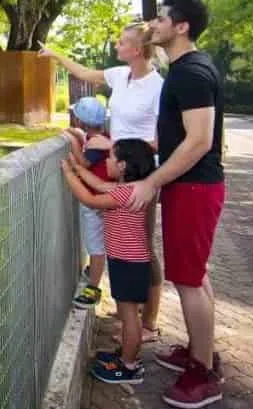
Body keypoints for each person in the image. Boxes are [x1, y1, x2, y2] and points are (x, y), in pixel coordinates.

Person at [127, 0, 225, 408]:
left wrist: (153, 180)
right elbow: (182, 133)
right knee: (195, 275)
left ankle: (202, 374)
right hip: (190, 186)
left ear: (181, 27)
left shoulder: (191, 73)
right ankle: (201, 351)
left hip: (193, 188)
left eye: (161, 18)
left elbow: (200, 140)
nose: (154, 24)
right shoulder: (187, 69)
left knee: (188, 280)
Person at [40, 24, 165, 342]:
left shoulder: (158, 87)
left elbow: (160, 140)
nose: (116, 44)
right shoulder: (118, 76)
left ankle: (147, 322)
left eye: (122, 42)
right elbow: (85, 72)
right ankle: (130, 310)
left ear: (137, 51)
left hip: (140, 175)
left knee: (142, 248)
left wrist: (114, 148)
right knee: (119, 241)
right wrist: (55, 55)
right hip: (114, 171)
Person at [61, 138, 158, 385]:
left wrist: (68, 174)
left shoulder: (125, 193)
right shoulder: (133, 187)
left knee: (129, 317)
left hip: (128, 262)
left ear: (123, 165)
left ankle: (127, 367)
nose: (106, 161)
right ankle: (127, 356)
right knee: (128, 315)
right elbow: (99, 184)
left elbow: (91, 199)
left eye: (111, 158)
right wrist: (75, 165)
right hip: (129, 261)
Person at [64, 96, 111, 309]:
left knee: (96, 246)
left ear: (81, 122)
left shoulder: (95, 144)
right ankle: (93, 272)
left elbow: (84, 162)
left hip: (95, 203)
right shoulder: (102, 138)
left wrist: (72, 141)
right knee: (95, 242)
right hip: (97, 199)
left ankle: (94, 286)